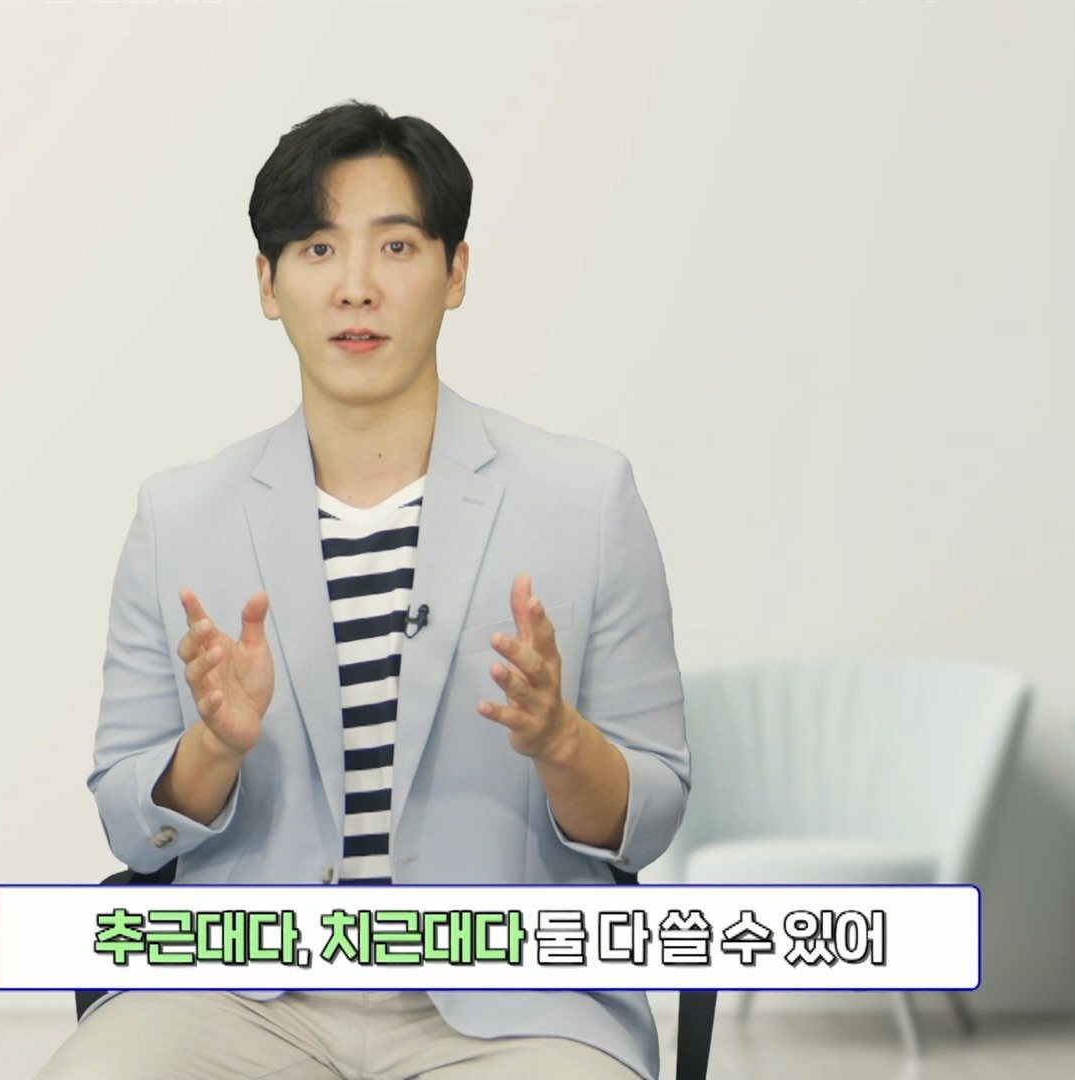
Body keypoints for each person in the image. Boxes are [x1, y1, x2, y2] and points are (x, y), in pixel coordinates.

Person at [35, 100, 690, 1080]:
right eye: (316, 249)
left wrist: (563, 743)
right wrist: (214, 747)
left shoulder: (585, 500)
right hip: (238, 998)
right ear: (268, 283)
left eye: (396, 247)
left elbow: (655, 810)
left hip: (518, 1008)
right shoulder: (181, 517)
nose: (355, 288)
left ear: (455, 271)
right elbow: (132, 824)